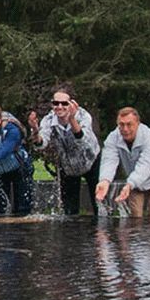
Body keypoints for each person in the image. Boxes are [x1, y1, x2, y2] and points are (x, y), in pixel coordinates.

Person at [28, 84, 101, 215]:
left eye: (64, 103)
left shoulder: (84, 116)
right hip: (68, 166)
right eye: (56, 103)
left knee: (98, 205)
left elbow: (82, 141)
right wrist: (35, 129)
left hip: (91, 161)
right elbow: (41, 144)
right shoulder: (49, 119)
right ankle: (70, 234)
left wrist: (72, 119)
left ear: (72, 104)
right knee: (69, 211)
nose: (59, 107)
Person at [94, 107, 150, 218]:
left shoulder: (149, 137)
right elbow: (109, 160)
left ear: (138, 124)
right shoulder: (113, 137)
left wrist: (130, 184)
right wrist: (104, 181)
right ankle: (134, 236)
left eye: (129, 124)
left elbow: (145, 165)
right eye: (121, 124)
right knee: (135, 216)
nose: (125, 129)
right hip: (133, 179)